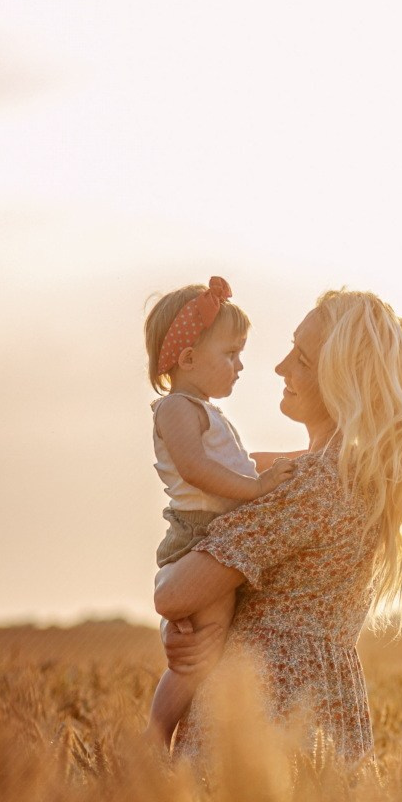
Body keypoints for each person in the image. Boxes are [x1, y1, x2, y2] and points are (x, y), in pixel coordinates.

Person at [153, 288, 402, 764]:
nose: (280, 367)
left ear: (343, 382)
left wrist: (180, 621)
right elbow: (241, 470)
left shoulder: (312, 486)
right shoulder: (354, 476)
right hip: (323, 702)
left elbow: (173, 595)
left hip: (267, 707)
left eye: (301, 359)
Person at [141, 277, 299, 746]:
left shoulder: (204, 410)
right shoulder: (175, 409)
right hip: (198, 534)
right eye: (230, 353)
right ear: (188, 359)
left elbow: (241, 464)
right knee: (198, 654)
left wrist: (302, 460)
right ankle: (157, 735)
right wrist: (257, 489)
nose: (240, 365)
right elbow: (195, 469)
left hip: (215, 531)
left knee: (212, 643)